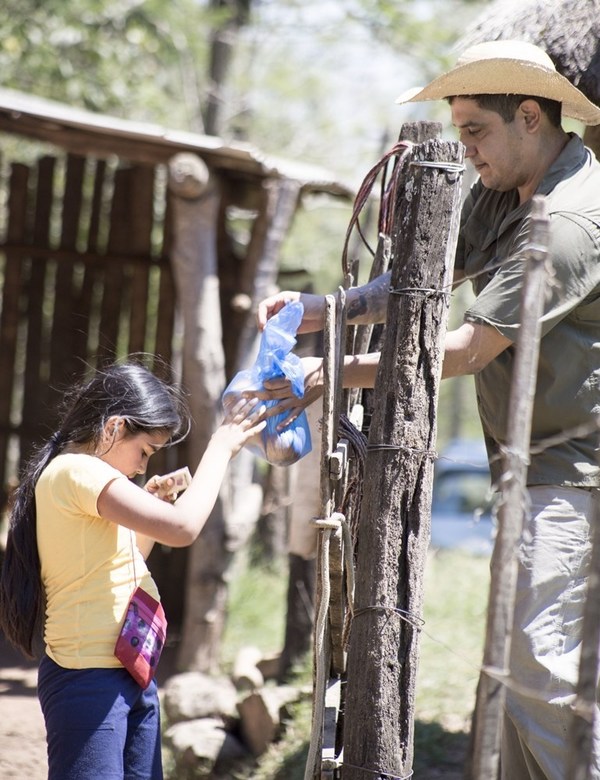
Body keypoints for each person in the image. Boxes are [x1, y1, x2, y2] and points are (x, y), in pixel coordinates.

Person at [254, 40, 600, 780]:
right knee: (521, 690)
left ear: (531, 117)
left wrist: (327, 373)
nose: (463, 149)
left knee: (541, 675)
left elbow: (467, 347)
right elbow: (424, 283)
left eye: (474, 130)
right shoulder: (507, 188)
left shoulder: (569, 222)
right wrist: (321, 310)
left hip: (575, 479)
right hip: (532, 471)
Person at [0, 357, 265, 780]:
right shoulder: (77, 471)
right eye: (144, 451)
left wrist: (154, 505)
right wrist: (219, 449)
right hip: (88, 679)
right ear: (114, 427)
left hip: (129, 670)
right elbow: (184, 529)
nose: (144, 467)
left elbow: (124, 561)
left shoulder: (86, 475)